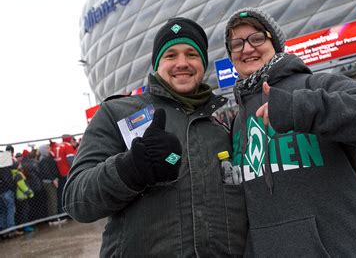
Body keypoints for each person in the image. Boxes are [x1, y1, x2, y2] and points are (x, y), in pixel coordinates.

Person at [224, 7, 356, 257]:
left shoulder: (316, 85)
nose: (247, 49)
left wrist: (302, 108)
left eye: (257, 38)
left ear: (276, 43)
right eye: (236, 44)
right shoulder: (238, 122)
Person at [63, 17, 247, 257]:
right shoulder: (118, 113)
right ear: (157, 64)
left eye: (191, 54)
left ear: (203, 62)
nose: (182, 63)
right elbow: (77, 200)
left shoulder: (224, 123)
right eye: (170, 55)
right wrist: (130, 169)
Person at [50, 135, 77, 214]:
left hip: (60, 173)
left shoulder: (57, 146)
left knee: (63, 194)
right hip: (68, 172)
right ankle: (71, 212)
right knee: (71, 193)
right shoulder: (68, 146)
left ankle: (64, 212)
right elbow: (71, 160)